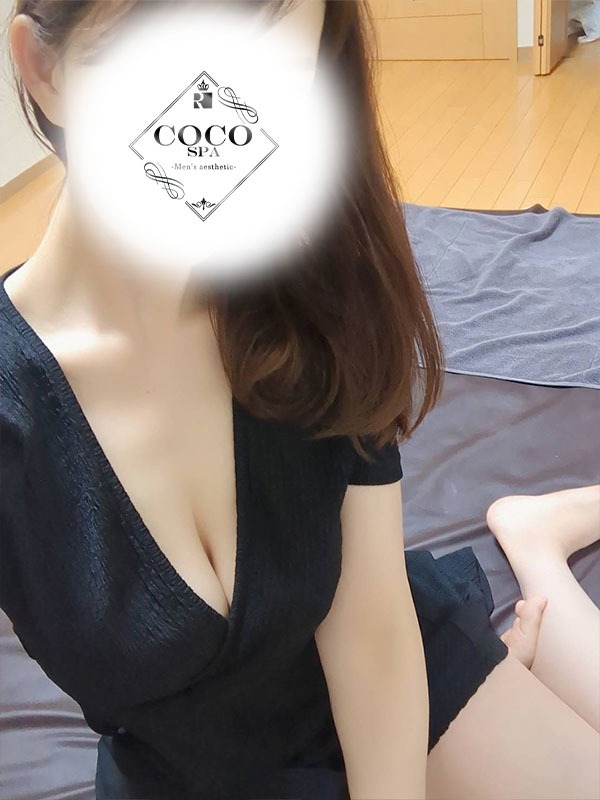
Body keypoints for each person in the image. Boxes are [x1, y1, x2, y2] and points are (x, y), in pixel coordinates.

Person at [1, 2, 599, 799]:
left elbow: (372, 631)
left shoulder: (316, 293)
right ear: (45, 69)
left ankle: (534, 547)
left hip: (390, 678)